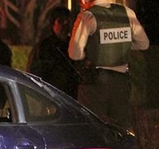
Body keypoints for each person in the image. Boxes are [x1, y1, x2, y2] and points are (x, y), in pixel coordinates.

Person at [68, 0, 149, 130]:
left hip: (95, 83)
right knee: (119, 130)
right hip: (121, 82)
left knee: (92, 128)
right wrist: (123, 46)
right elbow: (144, 44)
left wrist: (88, 52)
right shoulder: (127, 13)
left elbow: (74, 53)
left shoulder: (87, 16)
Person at [28, 6, 79, 98]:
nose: (65, 24)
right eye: (60, 21)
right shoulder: (44, 47)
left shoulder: (73, 44)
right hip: (51, 96)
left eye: (67, 21)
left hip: (71, 96)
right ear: (53, 24)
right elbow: (36, 73)